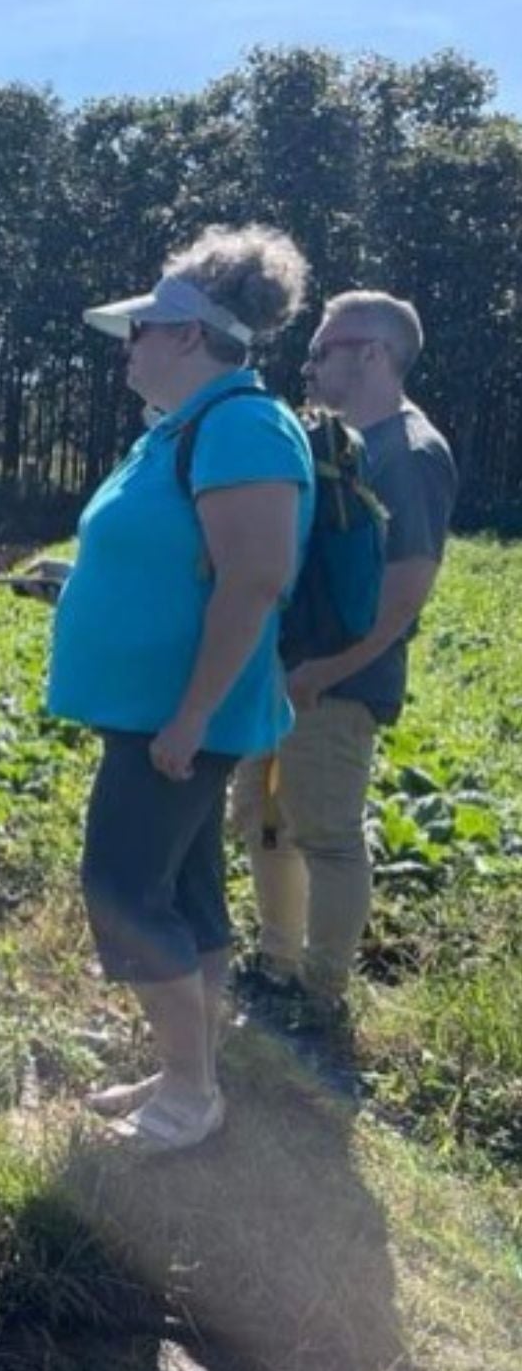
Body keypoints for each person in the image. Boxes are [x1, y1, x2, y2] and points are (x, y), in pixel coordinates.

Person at [45, 226, 317, 1153]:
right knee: (188, 894)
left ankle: (191, 1096)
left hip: (182, 718)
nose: (132, 345)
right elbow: (170, 557)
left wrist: (192, 715)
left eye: (144, 329)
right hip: (163, 714)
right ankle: (183, 1075)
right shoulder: (191, 428)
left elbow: (254, 577)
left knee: (121, 886)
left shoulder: (242, 425)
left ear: (191, 337)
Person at [232, 291, 457, 1018]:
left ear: (374, 353)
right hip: (281, 675)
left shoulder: (410, 452)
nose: (313, 361)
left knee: (325, 834)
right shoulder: (330, 440)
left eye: (325, 348)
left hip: (333, 685)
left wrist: (321, 674)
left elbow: (406, 591)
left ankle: (320, 991)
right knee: (265, 820)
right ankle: (275, 959)